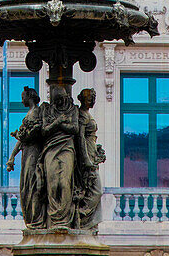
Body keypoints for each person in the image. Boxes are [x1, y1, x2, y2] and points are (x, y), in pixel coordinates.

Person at [36, 89, 80, 228]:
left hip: (67, 147)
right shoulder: (47, 110)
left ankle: (64, 218)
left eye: (62, 98)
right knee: (52, 183)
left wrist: (58, 124)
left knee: (65, 183)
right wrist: (59, 122)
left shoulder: (72, 110)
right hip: (50, 148)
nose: (60, 101)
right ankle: (53, 217)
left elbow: (75, 129)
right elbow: (44, 130)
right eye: (58, 99)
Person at [6, 86, 45, 229]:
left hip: (34, 153)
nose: (21, 99)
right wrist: (12, 157)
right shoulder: (30, 113)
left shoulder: (37, 113)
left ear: (30, 97)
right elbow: (22, 139)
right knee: (26, 186)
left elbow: (30, 136)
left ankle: (36, 219)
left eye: (23, 96)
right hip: (27, 153)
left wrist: (21, 137)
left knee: (32, 184)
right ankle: (31, 218)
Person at [74, 88, 104, 230]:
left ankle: (85, 219)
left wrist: (97, 149)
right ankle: (81, 214)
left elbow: (88, 137)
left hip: (91, 153)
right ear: (82, 99)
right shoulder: (82, 116)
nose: (92, 100)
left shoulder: (86, 115)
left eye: (93, 98)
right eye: (89, 98)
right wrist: (85, 158)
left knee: (93, 188)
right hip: (86, 156)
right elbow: (80, 138)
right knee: (96, 189)